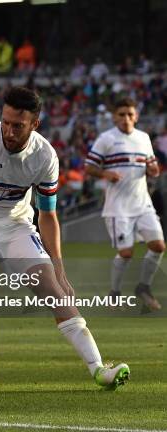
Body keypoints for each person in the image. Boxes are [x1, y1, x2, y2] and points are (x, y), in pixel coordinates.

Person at [0, 86, 130, 395]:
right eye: (5, 121)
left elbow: (47, 215)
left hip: (15, 225)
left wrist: (58, 266)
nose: (8, 130)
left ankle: (99, 369)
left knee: (52, 288)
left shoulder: (45, 156)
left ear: (35, 124)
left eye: (17, 125)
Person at [85, 98, 165, 310]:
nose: (126, 118)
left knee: (158, 246)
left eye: (130, 114)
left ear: (136, 116)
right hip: (118, 207)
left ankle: (143, 288)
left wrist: (154, 169)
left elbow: (151, 164)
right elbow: (89, 166)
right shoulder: (106, 139)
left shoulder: (144, 138)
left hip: (142, 203)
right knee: (126, 253)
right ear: (115, 117)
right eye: (121, 114)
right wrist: (104, 173)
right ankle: (114, 293)